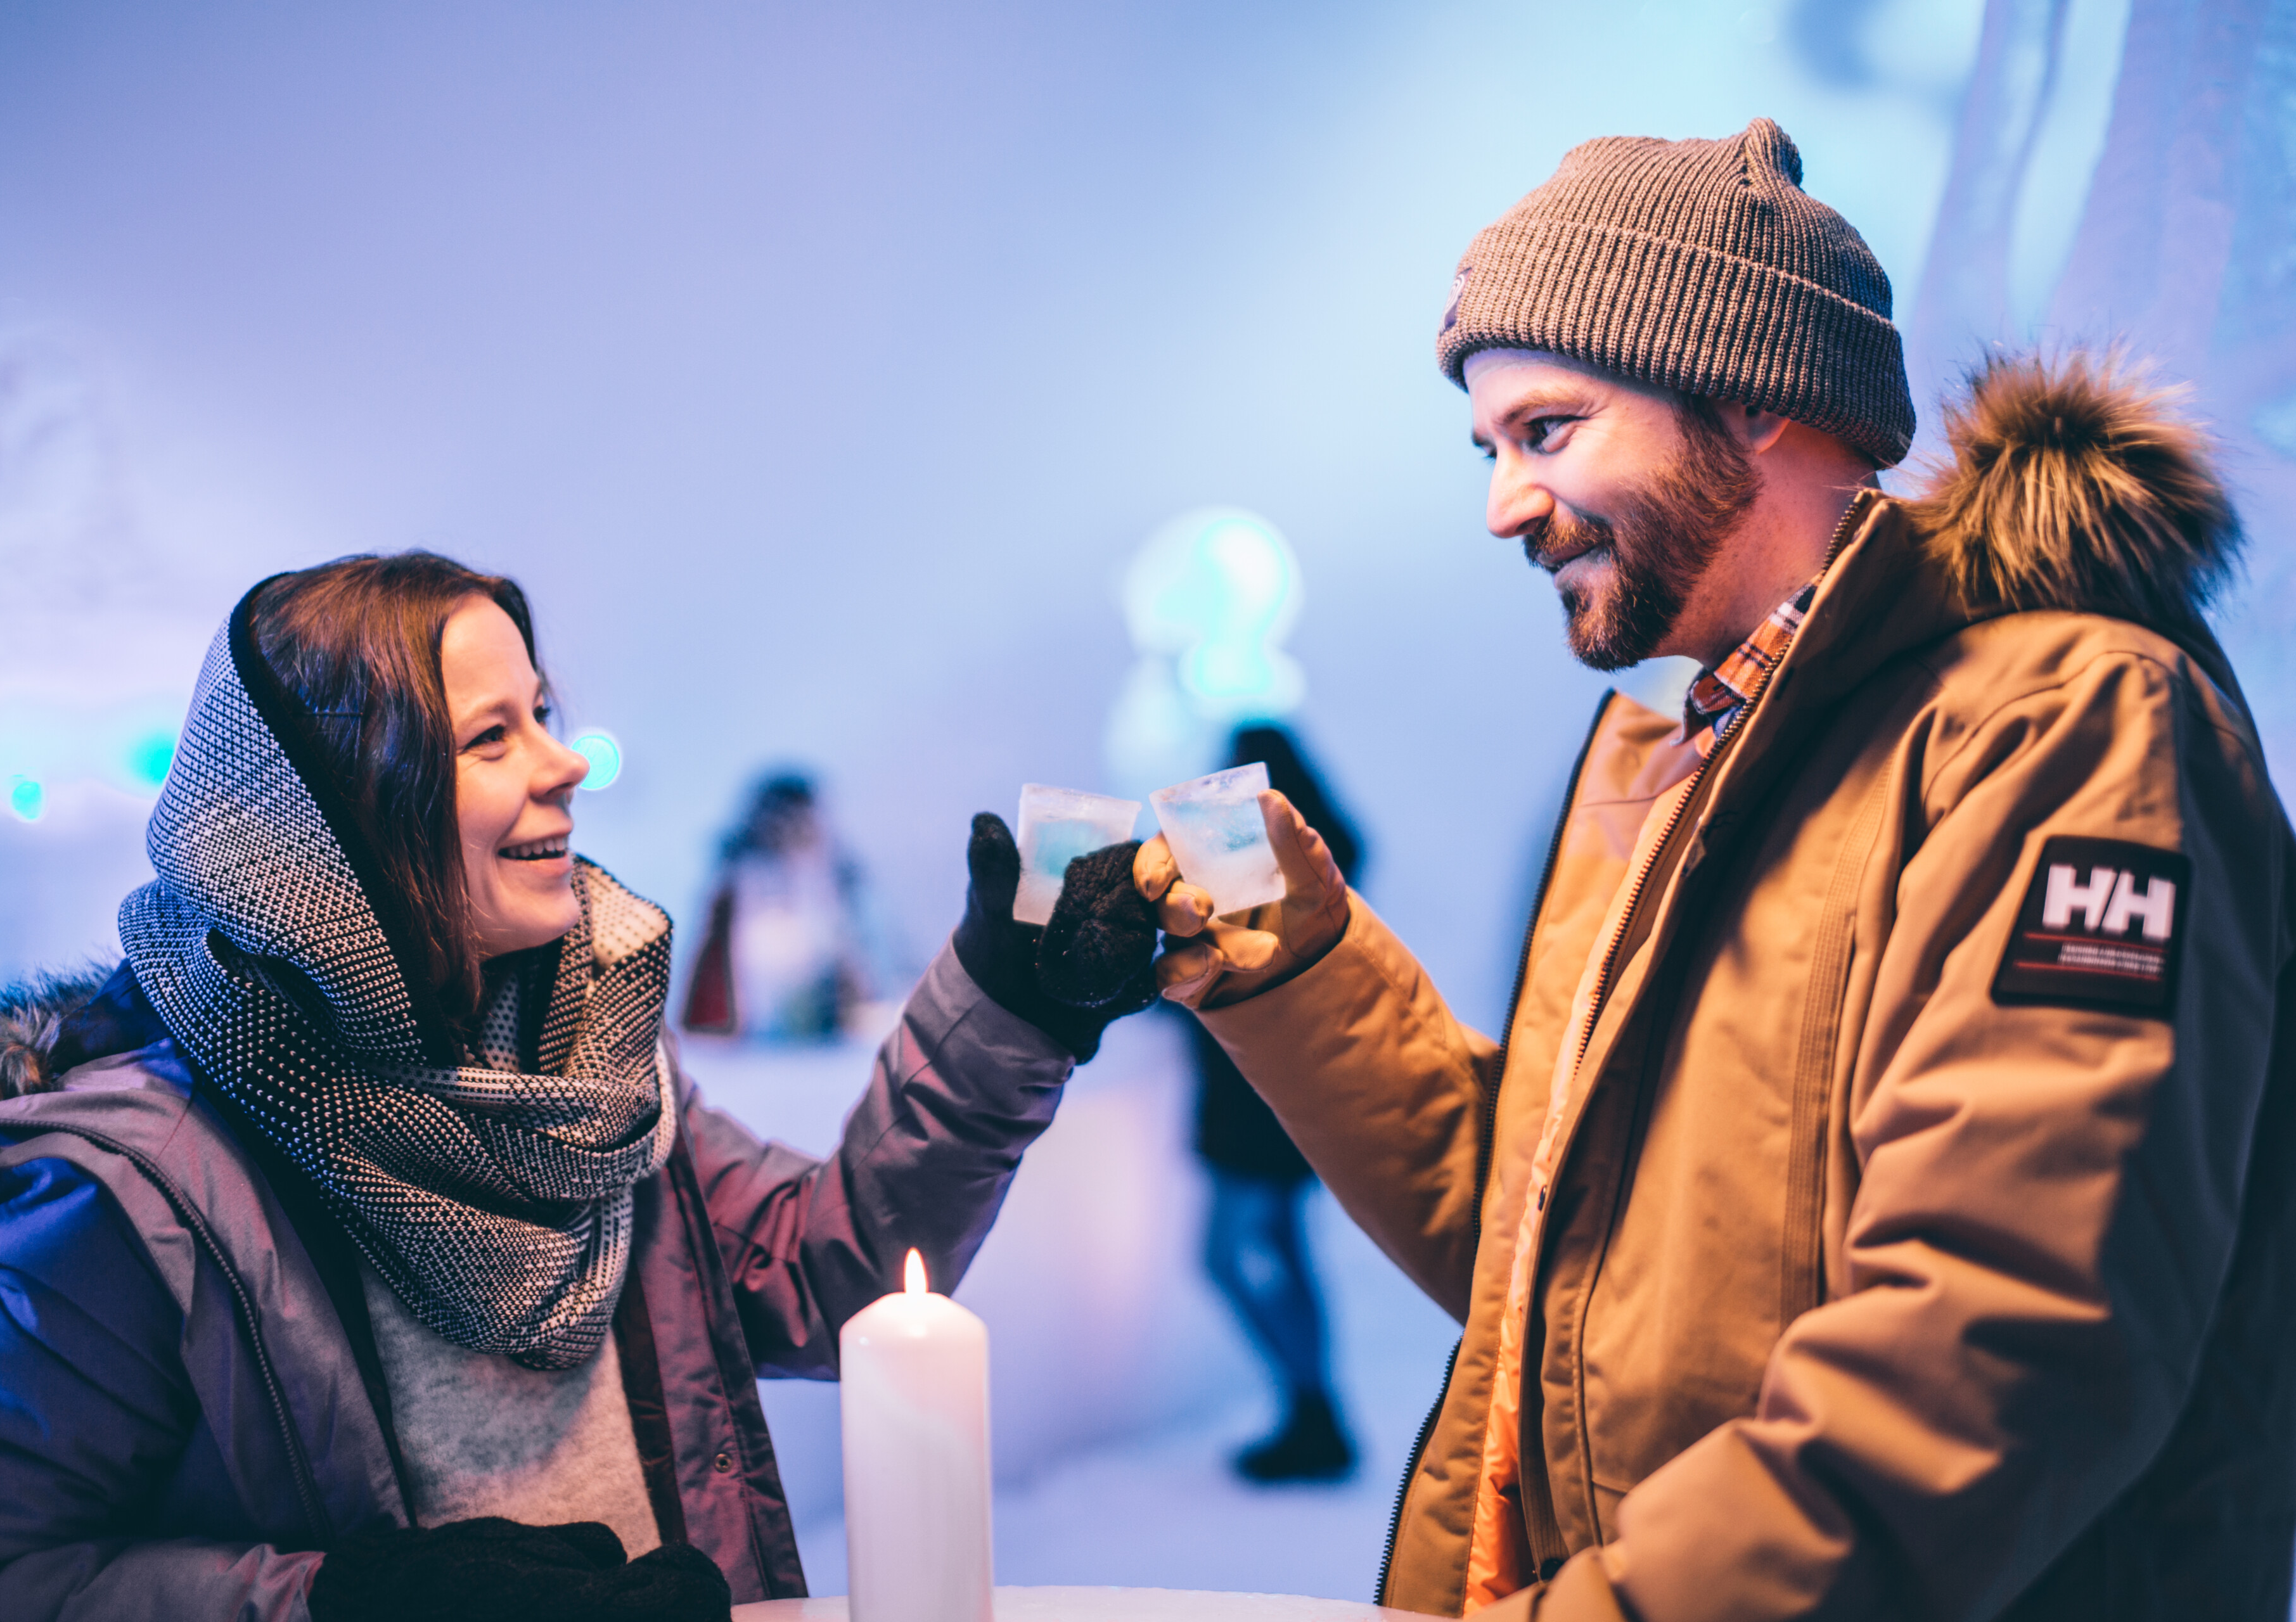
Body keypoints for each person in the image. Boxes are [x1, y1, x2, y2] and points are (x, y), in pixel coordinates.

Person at [1136, 120, 2296, 1619]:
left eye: (1545, 430)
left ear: (1752, 398)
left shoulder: (2063, 733)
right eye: (1486, 449)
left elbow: (1996, 1361)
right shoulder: (1673, 767)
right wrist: (1281, 949)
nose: (1500, 500)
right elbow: (1548, 1263)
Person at [0, 552, 1158, 1622]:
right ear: (344, 820)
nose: (564, 761)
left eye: (543, 710)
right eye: (493, 734)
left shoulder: (594, 1067)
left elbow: (834, 1278)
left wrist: (1010, 999)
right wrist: (343, 1604)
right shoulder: (142, 1190)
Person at [1188, 724, 1364, 1483]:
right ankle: (1315, 1408)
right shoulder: (1321, 868)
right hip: (1289, 1085)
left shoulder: (1265, 873)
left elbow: (1220, 967)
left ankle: (1314, 1408)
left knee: (1227, 1255)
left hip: (1249, 1088)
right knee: (1285, 1250)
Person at [679, 770, 882, 1042]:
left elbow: (860, 962)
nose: (790, 833)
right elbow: (709, 980)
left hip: (826, 1042)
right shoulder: (737, 885)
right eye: (781, 823)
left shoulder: (834, 880)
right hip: (746, 1045)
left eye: (800, 823)